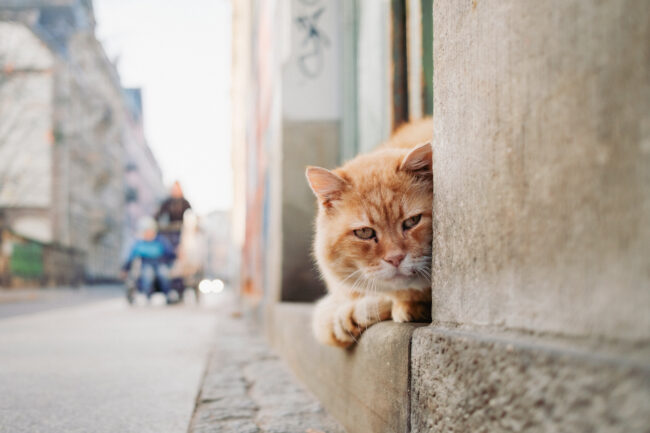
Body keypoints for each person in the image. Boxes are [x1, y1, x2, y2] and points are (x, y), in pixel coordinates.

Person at [121, 217, 177, 303]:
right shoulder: (139, 243)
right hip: (145, 264)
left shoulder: (160, 241)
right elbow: (131, 257)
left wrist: (173, 258)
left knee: (164, 273)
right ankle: (147, 294)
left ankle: (168, 294)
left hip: (160, 263)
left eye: (150, 231)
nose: (149, 233)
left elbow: (170, 253)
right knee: (147, 275)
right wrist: (125, 268)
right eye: (146, 231)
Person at [155, 181, 192, 247]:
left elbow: (190, 214)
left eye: (177, 189)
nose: (175, 191)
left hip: (181, 229)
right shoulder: (167, 202)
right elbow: (158, 214)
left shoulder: (185, 202)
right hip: (170, 229)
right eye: (174, 189)